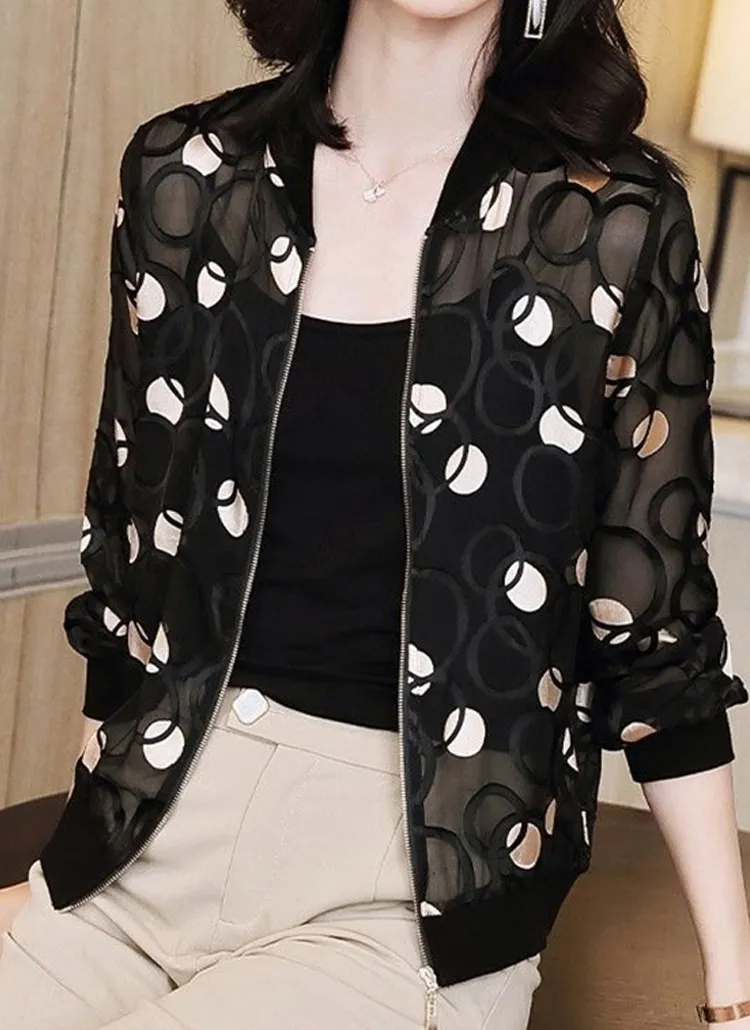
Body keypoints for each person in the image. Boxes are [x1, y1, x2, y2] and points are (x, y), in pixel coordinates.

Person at [2, 0, 750, 1026]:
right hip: (152, 831)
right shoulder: (188, 174)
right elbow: (132, 567)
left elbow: (654, 634)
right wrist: (67, 870)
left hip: (414, 893)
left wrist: (733, 991)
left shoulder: (613, 222)